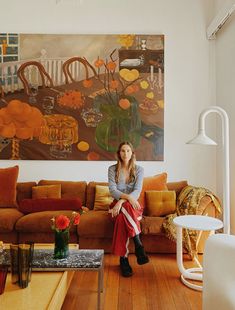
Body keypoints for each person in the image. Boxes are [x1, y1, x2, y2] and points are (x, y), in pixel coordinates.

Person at [108, 141, 149, 277]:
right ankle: (138, 245)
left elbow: (137, 191)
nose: (125, 153)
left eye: (128, 151)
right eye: (123, 151)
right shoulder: (112, 169)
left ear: (132, 153)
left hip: (133, 206)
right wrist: (122, 201)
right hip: (120, 205)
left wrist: (121, 201)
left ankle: (123, 260)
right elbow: (112, 190)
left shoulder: (139, 170)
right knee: (121, 215)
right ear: (119, 153)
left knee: (121, 217)